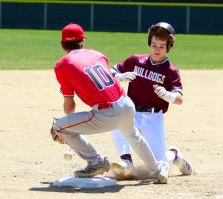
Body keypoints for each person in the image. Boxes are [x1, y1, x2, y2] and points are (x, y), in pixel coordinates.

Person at [50, 22, 169, 184]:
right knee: (133, 135)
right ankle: (157, 170)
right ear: (82, 42)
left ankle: (96, 161)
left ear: (63, 45)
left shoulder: (62, 65)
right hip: (127, 104)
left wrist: (67, 127)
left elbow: (69, 106)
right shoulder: (97, 54)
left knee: (58, 126)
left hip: (107, 113)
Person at [110, 22, 192, 180]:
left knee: (158, 167)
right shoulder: (135, 60)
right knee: (116, 118)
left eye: (162, 46)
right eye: (154, 44)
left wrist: (169, 95)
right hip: (132, 113)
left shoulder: (171, 71)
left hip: (153, 118)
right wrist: (118, 76)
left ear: (168, 47)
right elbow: (112, 71)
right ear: (149, 43)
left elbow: (179, 98)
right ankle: (126, 161)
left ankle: (174, 155)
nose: (157, 49)